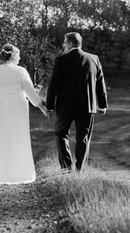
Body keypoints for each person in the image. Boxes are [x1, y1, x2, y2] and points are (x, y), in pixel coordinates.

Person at [43, 32, 107, 172]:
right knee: (83, 138)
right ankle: (80, 169)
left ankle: (66, 167)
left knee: (60, 133)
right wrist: (102, 105)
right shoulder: (94, 59)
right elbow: (100, 83)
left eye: (64, 42)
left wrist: (48, 106)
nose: (63, 45)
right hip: (87, 106)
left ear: (70, 43)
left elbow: (53, 85)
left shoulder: (61, 60)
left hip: (65, 106)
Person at [0, 43, 48, 184]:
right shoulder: (21, 72)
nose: (19, 57)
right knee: (19, 138)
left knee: (1, 138)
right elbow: (31, 93)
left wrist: (2, 96)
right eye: (18, 55)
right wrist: (42, 108)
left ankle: (1, 175)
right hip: (18, 108)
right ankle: (21, 173)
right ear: (13, 55)